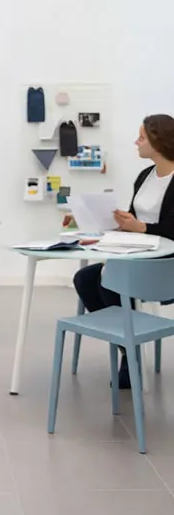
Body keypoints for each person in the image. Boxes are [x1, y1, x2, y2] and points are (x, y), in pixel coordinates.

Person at [70, 114, 174, 387]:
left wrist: (141, 227)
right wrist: (113, 220)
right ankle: (129, 349)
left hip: (164, 264)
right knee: (84, 279)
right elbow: (134, 218)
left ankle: (130, 356)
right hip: (136, 256)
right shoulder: (145, 176)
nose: (136, 142)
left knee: (109, 281)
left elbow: (169, 228)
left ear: (159, 141)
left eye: (141, 137)